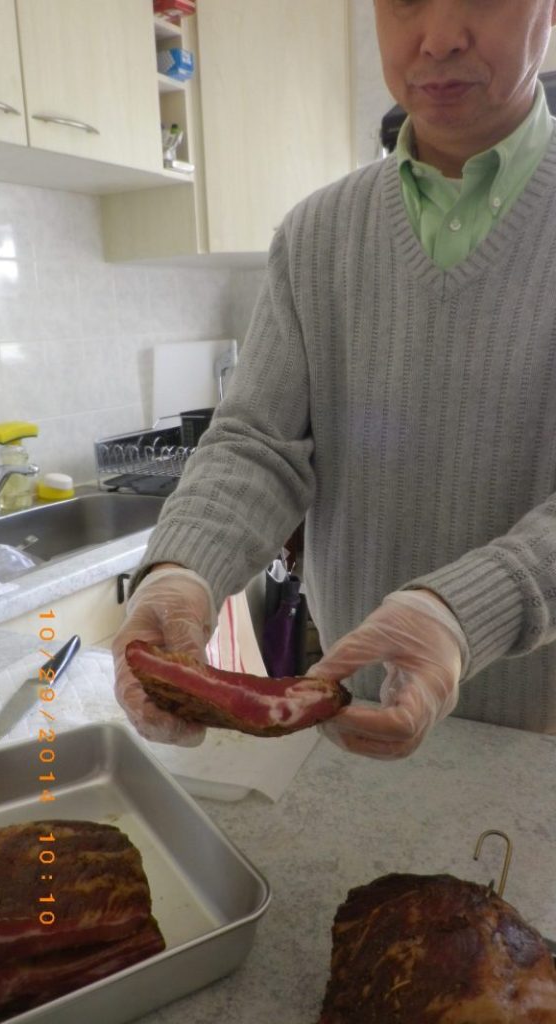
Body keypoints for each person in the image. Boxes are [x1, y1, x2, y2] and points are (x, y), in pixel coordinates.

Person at [113, 0, 556, 760]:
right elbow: (257, 445)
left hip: (540, 744)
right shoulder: (315, 234)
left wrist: (460, 616)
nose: (439, 38)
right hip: (345, 718)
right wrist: (180, 570)